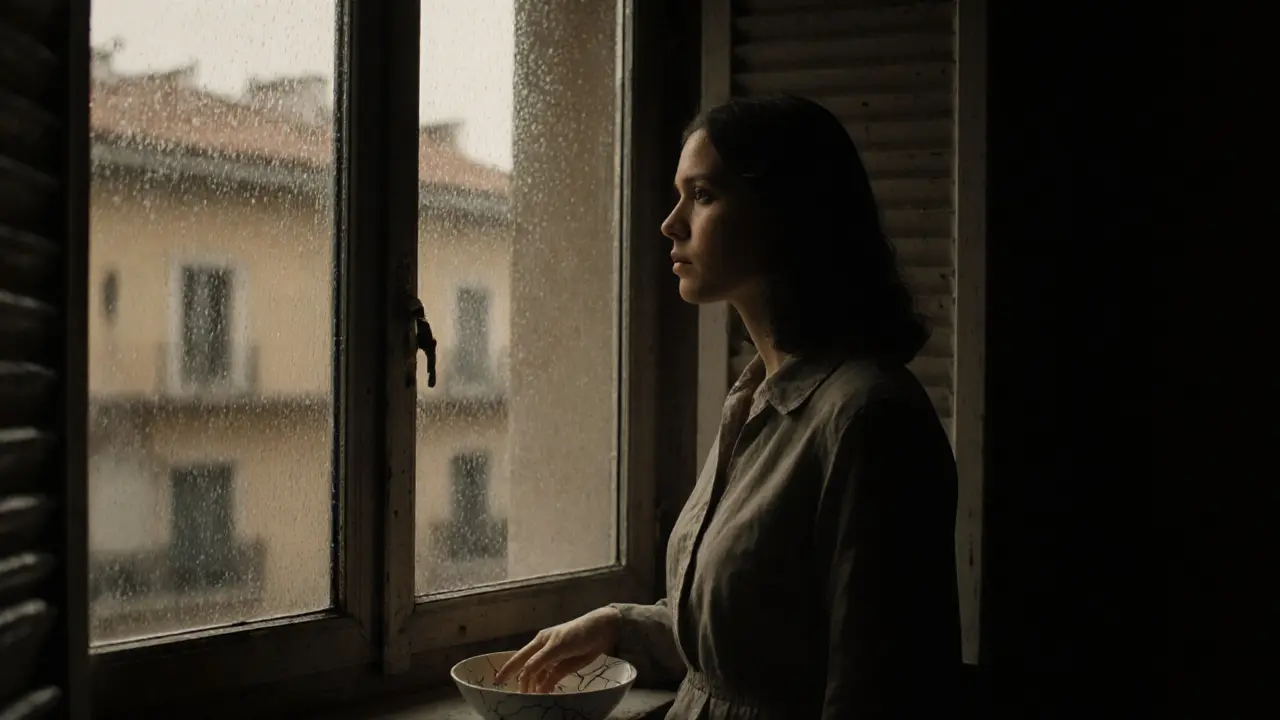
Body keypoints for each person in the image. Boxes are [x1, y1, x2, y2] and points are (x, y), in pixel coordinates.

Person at [495, 95, 961, 718]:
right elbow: (747, 640)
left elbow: (879, 688)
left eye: (703, 195)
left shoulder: (869, 422)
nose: (671, 224)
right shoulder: (755, 400)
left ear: (785, 211)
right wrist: (619, 624)